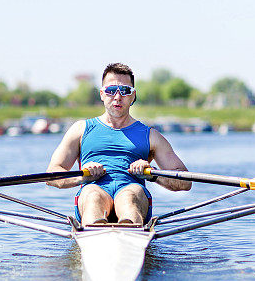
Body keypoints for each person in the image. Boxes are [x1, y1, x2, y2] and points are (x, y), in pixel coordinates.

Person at [46, 62, 191, 225]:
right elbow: (52, 174)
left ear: (133, 95)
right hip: (92, 191)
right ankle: (96, 233)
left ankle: (128, 232)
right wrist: (81, 177)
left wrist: (152, 174)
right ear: (101, 94)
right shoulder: (80, 129)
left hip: (133, 192)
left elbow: (185, 182)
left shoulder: (151, 136)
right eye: (110, 90)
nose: (117, 97)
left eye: (125, 91)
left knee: (129, 195)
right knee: (93, 195)